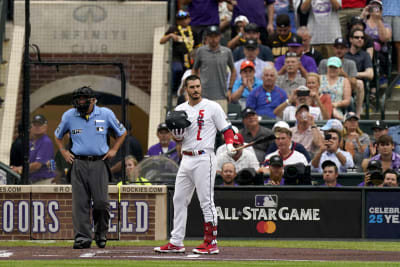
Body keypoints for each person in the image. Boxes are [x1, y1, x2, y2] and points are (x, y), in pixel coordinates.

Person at [154, 75, 236, 254]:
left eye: (198, 86)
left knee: (206, 201)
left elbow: (227, 129)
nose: (196, 90)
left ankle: (211, 242)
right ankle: (176, 242)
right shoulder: (180, 109)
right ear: (186, 89)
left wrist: (229, 144)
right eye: (192, 87)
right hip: (186, 157)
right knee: (179, 199)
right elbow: (179, 138)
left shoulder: (212, 107)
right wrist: (177, 136)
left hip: (204, 157)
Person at [54, 86, 127, 249]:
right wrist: (63, 151)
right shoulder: (69, 115)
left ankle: (101, 233)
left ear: (93, 100)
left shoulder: (106, 114)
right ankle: (82, 238)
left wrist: (114, 150)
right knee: (80, 203)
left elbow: (122, 132)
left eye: (83, 99)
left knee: (101, 202)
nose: (79, 102)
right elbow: (58, 135)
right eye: (78, 99)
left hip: (99, 162)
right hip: (78, 163)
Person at [193, 25, 236, 113]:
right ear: (207, 38)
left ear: (220, 37)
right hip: (204, 95)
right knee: (203, 123)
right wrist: (196, 87)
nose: (213, 39)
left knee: (221, 124)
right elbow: (194, 69)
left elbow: (233, 71)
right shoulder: (200, 51)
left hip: (222, 95)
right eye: (211, 36)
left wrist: (230, 89)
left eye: (215, 36)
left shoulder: (227, 52)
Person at [319, 38, 364, 116]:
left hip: (344, 92)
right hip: (324, 95)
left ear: (346, 49)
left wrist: (343, 74)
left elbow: (354, 85)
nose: (339, 50)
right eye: (337, 48)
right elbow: (319, 81)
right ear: (333, 48)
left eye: (342, 48)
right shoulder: (324, 62)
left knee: (351, 99)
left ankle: (356, 114)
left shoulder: (350, 63)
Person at [159, 10, 201, 93]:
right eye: (180, 19)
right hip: (177, 57)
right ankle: (174, 90)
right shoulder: (173, 29)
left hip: (190, 57)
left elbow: (198, 47)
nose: (183, 21)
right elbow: (161, 41)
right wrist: (170, 35)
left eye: (185, 18)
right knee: (178, 69)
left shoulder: (194, 31)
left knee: (189, 74)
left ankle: (185, 91)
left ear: (189, 19)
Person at [11, 115, 56, 184]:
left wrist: (19, 170)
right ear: (31, 127)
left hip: (44, 182)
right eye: (35, 124)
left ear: (45, 127)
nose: (37, 127)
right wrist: (17, 168)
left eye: (40, 124)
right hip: (33, 181)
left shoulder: (46, 141)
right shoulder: (31, 142)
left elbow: (37, 165)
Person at [344, 28, 374, 101]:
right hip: (343, 82)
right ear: (351, 39)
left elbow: (370, 74)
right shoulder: (344, 54)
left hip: (357, 84)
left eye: (362, 37)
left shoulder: (365, 55)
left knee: (359, 83)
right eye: (357, 37)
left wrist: (353, 74)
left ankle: (358, 112)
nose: (360, 39)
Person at [382, 0, 400, 75]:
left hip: (398, 13)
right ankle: (385, 70)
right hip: (384, 13)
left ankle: (399, 70)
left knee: (398, 43)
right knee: (385, 43)